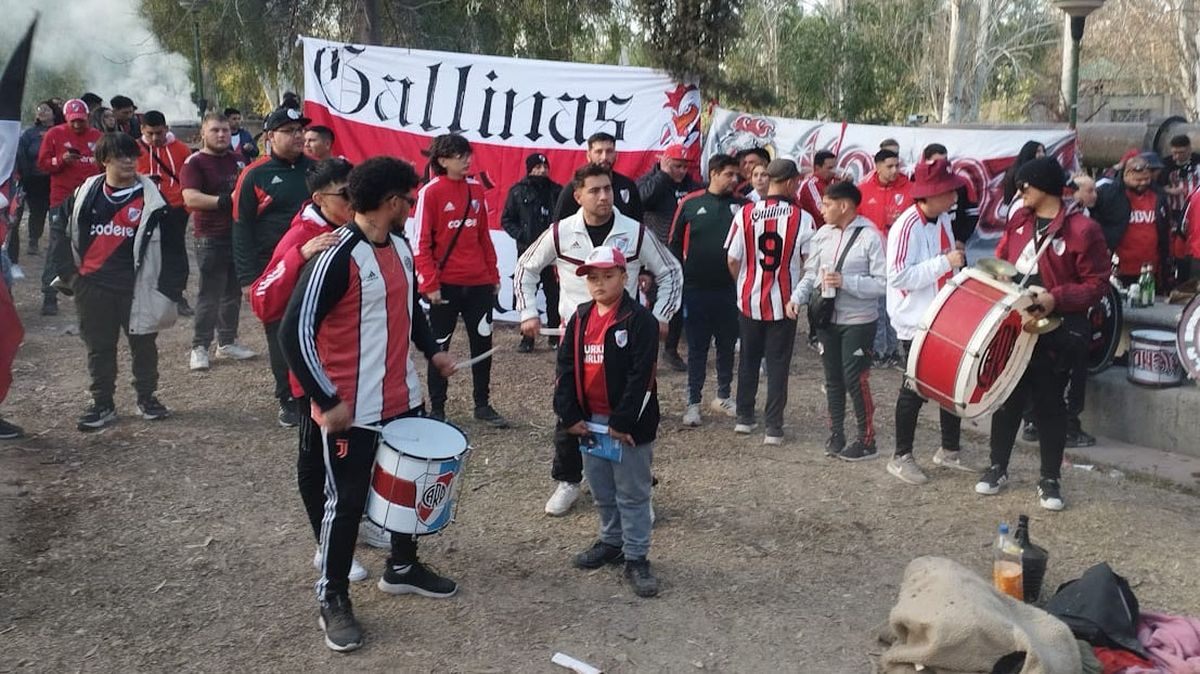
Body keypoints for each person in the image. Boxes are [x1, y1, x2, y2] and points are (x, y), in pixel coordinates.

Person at [279, 156, 459, 653]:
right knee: (348, 501)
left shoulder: (399, 246)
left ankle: (402, 565)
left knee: (408, 488)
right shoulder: (336, 257)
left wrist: (434, 351)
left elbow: (411, 308)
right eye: (409, 199)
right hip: (351, 411)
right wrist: (327, 399)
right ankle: (332, 596)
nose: (412, 208)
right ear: (391, 203)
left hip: (403, 397)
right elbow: (294, 333)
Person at [516, 164, 681, 516]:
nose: (604, 196)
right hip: (574, 338)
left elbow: (670, 272)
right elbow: (526, 269)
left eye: (607, 189)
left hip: (624, 338)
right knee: (569, 406)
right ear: (578, 196)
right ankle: (569, 480)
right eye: (594, 190)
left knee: (631, 406)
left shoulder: (635, 233)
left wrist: (662, 315)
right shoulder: (560, 233)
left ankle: (637, 490)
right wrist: (528, 311)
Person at [249, 157, 381, 576]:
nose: (354, 201)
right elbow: (262, 298)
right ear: (320, 199)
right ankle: (325, 544)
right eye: (345, 195)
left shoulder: (361, 232)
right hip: (313, 373)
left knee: (356, 455)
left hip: (357, 368)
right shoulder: (303, 234)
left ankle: (354, 524)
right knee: (315, 460)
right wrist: (298, 256)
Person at [976, 157, 1109, 511]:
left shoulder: (1082, 230)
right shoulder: (1019, 220)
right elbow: (1004, 256)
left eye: (1025, 186)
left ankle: (1050, 479)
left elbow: (1096, 285)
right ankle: (997, 467)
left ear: (1045, 187)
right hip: (1017, 326)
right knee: (1007, 399)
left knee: (1051, 405)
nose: (1020, 193)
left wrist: (1056, 298)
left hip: (1057, 330)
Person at [49, 132, 186, 431]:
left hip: (138, 288)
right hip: (93, 286)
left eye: (131, 155)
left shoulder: (154, 200)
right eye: (120, 155)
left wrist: (171, 289)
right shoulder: (85, 193)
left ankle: (147, 398)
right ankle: (102, 403)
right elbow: (60, 228)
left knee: (144, 344)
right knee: (99, 348)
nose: (128, 161)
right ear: (104, 160)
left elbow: (175, 249)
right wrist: (70, 274)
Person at [555, 245, 662, 598]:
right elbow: (566, 368)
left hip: (625, 424)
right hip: (590, 422)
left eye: (608, 276)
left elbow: (641, 376)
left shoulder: (639, 320)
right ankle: (611, 541)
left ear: (624, 276)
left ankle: (636, 556)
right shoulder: (581, 317)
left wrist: (623, 421)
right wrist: (568, 414)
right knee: (601, 488)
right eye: (593, 278)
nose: (600, 283)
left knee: (632, 492)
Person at [884, 158, 973, 477]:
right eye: (949, 191)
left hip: (943, 316)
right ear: (930, 194)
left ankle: (949, 449)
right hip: (914, 322)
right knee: (915, 387)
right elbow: (897, 277)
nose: (955, 197)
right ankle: (900, 456)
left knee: (952, 383)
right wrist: (944, 263)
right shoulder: (906, 225)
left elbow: (948, 262)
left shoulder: (944, 219)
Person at [411, 134, 507, 427]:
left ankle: (483, 404)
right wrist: (429, 284)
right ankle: (437, 408)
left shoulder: (476, 191)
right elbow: (421, 242)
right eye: (459, 156)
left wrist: (493, 275)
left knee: (482, 341)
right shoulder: (431, 192)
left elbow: (483, 238)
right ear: (442, 161)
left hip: (478, 284)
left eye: (468, 155)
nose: (466, 160)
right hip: (445, 286)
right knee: (439, 346)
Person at [786, 182, 885, 457]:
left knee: (856, 378)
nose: (822, 209)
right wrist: (797, 297)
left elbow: (883, 284)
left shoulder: (870, 237)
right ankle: (836, 434)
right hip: (826, 318)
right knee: (832, 378)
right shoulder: (822, 235)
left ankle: (867, 440)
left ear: (844, 206)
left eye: (827, 204)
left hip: (859, 320)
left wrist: (847, 282)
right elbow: (811, 273)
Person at [232, 106, 313, 427]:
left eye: (300, 130)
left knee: (316, 331)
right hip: (274, 270)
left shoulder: (317, 171)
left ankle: (313, 391)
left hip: (314, 267)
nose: (298, 136)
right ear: (270, 137)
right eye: (289, 130)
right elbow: (240, 227)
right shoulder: (255, 174)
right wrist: (248, 278)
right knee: (281, 334)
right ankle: (288, 398)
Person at [726, 158, 815, 445]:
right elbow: (810, 263)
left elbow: (732, 258)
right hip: (784, 302)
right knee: (778, 365)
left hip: (749, 299)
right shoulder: (802, 218)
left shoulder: (745, 213)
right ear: (789, 182)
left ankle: (744, 417)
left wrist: (743, 284)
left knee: (748, 360)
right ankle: (774, 428)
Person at [669, 153, 743, 427]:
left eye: (736, 175)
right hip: (696, 289)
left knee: (726, 346)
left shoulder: (743, 206)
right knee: (697, 348)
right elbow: (673, 242)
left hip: (730, 290)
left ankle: (723, 395)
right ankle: (693, 403)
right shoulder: (690, 203)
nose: (734, 180)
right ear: (713, 173)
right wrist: (680, 278)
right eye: (729, 174)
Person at [180, 112, 256, 371]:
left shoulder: (238, 160)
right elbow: (190, 198)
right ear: (203, 133)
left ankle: (227, 342)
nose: (222, 134)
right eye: (215, 130)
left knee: (233, 292)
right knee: (209, 294)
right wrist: (225, 201)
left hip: (237, 235)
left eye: (225, 130)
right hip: (210, 237)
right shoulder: (194, 162)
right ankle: (199, 346)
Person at [36, 98, 102, 316]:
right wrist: (61, 160)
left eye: (81, 121)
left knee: (93, 244)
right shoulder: (54, 135)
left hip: (91, 198)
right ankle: (49, 294)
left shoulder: (97, 137)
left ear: (87, 118)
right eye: (73, 121)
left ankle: (92, 290)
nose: (77, 125)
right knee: (58, 245)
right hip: (62, 199)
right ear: (66, 119)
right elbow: (43, 164)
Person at [638, 143, 699, 371]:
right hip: (656, 253)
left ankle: (671, 351)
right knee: (655, 304)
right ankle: (649, 354)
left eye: (685, 166)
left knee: (677, 303)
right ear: (663, 162)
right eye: (676, 166)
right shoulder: (650, 181)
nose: (681, 171)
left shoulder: (691, 185)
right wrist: (663, 176)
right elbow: (641, 199)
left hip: (684, 252)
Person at [500, 152, 563, 352]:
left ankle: (555, 337)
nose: (542, 171)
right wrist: (522, 235)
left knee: (555, 295)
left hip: (553, 254)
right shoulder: (517, 191)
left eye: (544, 167)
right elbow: (507, 219)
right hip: (527, 253)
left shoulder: (557, 191)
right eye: (537, 168)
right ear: (529, 169)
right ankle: (527, 339)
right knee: (527, 295)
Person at [858, 149, 913, 368]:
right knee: (877, 303)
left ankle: (893, 349)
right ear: (877, 166)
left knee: (896, 302)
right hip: (873, 256)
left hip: (900, 257)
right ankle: (879, 350)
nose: (894, 171)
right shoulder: (863, 190)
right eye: (889, 166)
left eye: (897, 166)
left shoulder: (909, 190)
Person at [137, 110, 195, 317]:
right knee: (144, 253)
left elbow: (190, 179)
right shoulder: (135, 149)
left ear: (167, 129)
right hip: (145, 210)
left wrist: (186, 207)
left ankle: (176, 295)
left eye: (159, 133)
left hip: (175, 208)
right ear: (142, 130)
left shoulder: (181, 150)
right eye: (150, 133)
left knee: (175, 252)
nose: (155, 138)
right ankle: (146, 295)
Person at [1092, 153, 1171, 287]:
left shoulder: (1158, 196)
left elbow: (1164, 228)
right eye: (1138, 180)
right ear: (1126, 175)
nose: (1143, 183)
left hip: (1151, 267)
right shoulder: (1110, 195)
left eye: (1146, 179)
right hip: (1121, 268)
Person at [553, 131, 644, 222]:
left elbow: (638, 226)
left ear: (616, 155)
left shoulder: (627, 185)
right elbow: (559, 228)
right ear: (589, 155)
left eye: (609, 151)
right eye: (598, 152)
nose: (604, 157)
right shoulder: (575, 187)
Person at [10, 101, 60, 261]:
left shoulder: (62, 131)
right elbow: (21, 153)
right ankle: (33, 239)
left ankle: (58, 241)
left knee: (58, 211)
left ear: (54, 113)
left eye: (46, 109)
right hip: (35, 178)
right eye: (39, 109)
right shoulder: (30, 133)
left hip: (57, 178)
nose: (42, 112)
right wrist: (24, 174)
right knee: (37, 211)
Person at [923, 143, 980, 244]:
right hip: (927, 244)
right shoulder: (918, 185)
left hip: (954, 243)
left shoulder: (962, 183)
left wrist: (961, 239)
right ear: (927, 162)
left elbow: (973, 214)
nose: (941, 166)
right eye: (936, 163)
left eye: (944, 161)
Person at [798, 150, 837, 228]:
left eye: (834, 168)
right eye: (829, 168)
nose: (833, 172)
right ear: (817, 168)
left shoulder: (833, 182)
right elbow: (822, 211)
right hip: (815, 233)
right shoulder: (811, 184)